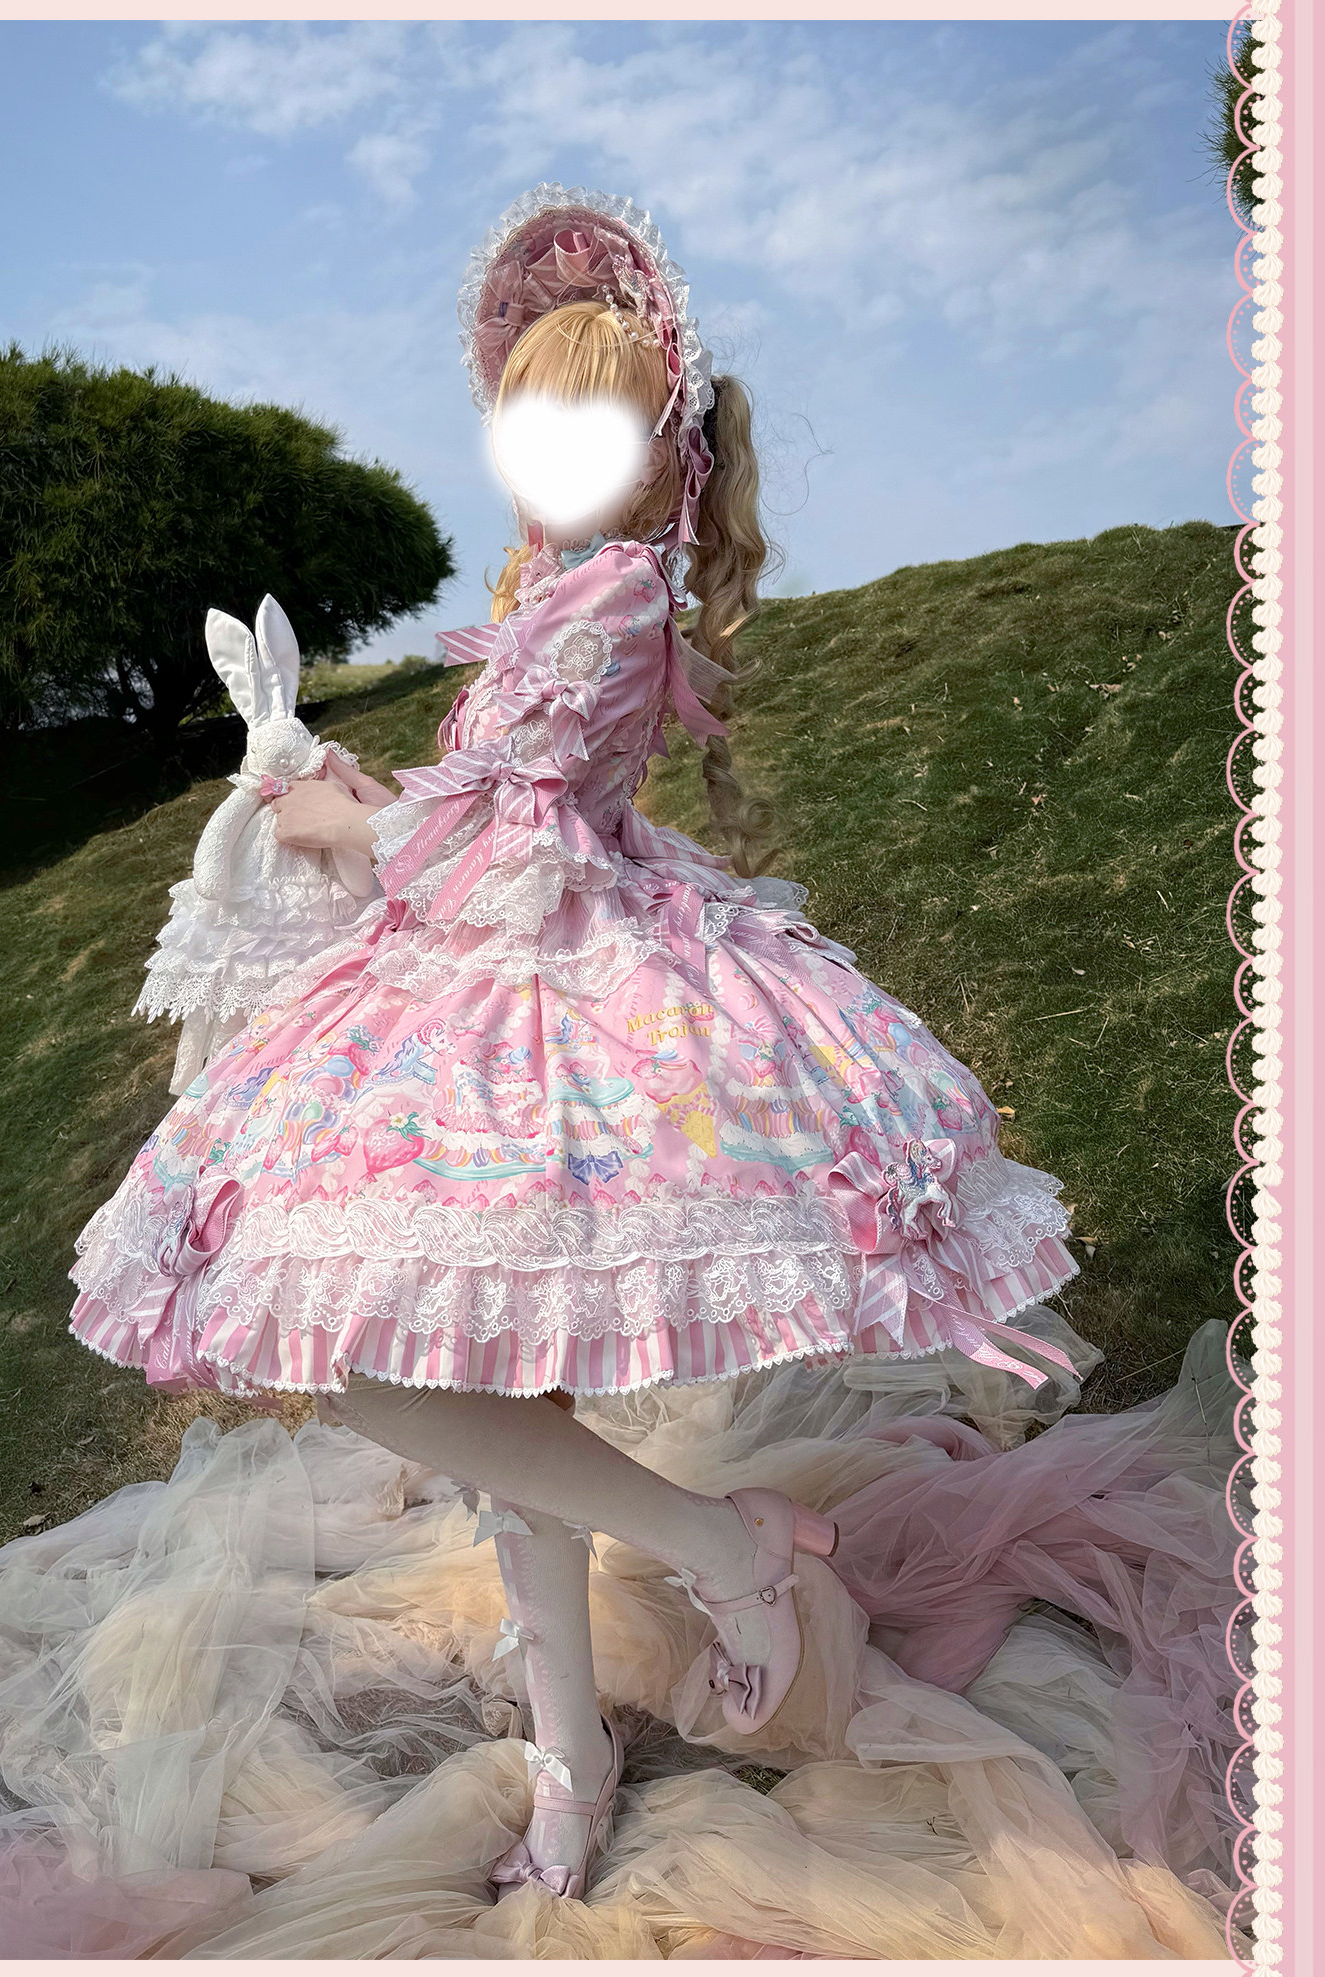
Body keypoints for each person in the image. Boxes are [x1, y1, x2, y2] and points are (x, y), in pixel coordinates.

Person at [67, 184, 1082, 1902]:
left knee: (399, 1364)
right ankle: (571, 1747)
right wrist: (361, 794)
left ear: (654, 443)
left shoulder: (612, 598)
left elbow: (511, 833)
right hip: (482, 974)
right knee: (455, 1361)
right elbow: (486, 807)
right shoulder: (563, 588)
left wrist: (345, 822)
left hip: (553, 998)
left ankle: (720, 1548)